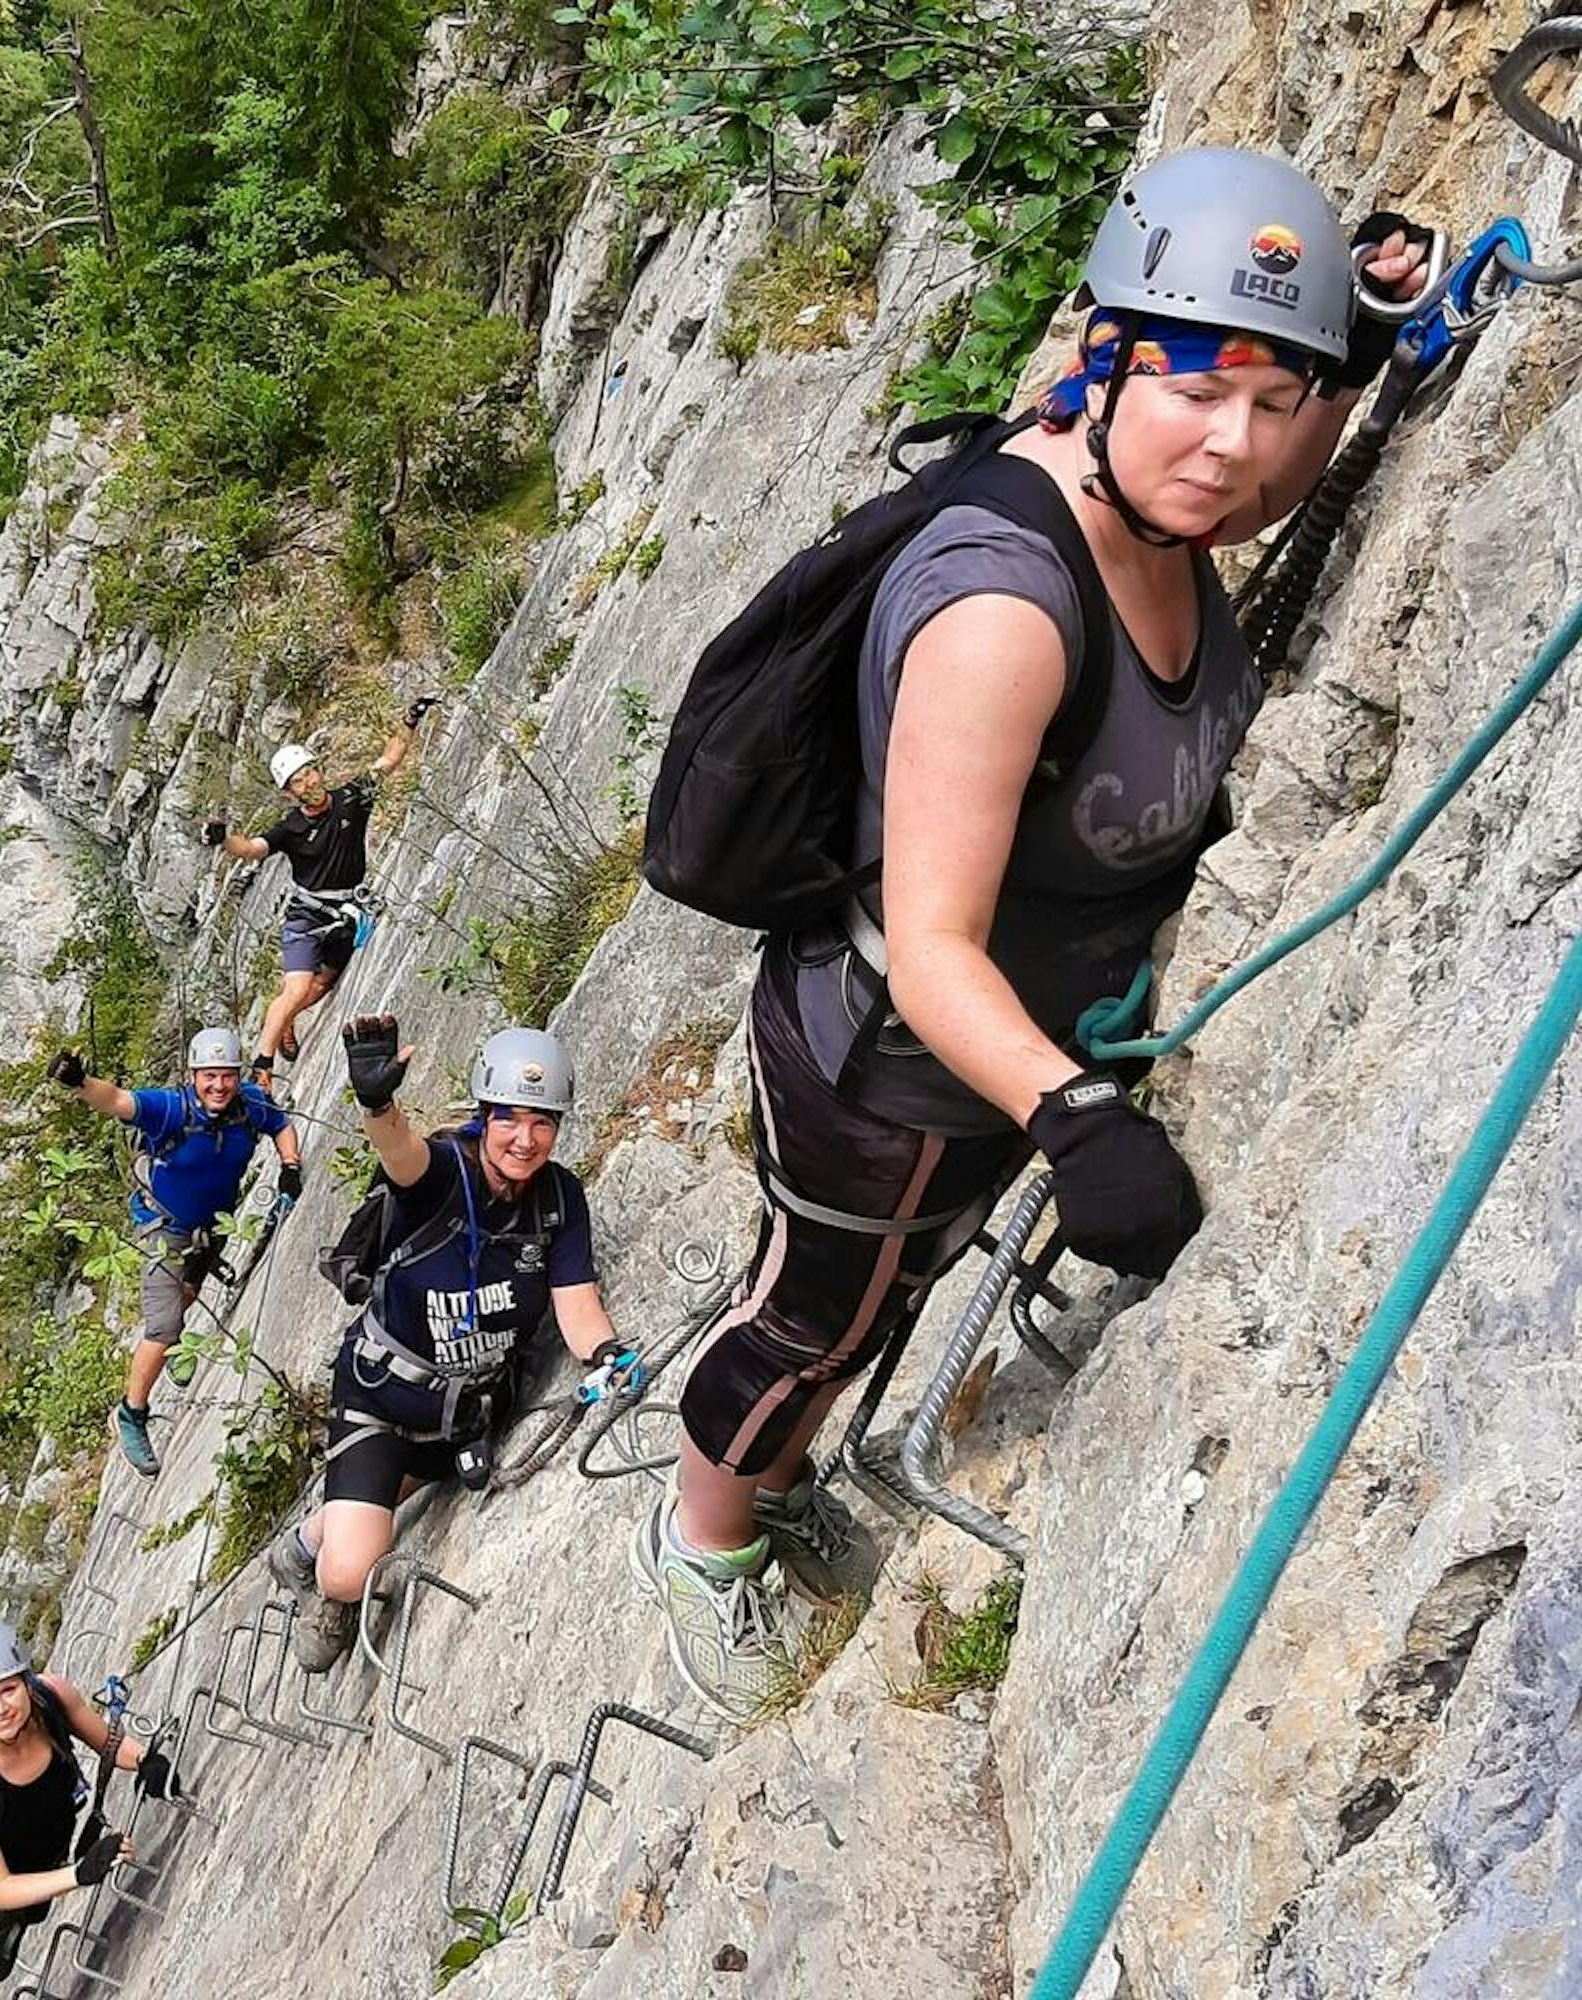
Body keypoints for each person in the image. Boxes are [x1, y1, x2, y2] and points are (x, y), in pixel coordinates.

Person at [639, 148, 1438, 1721]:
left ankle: (771, 1473)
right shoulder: (1003, 613)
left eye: (1278, 400)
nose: (1237, 448)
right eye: (1202, 387)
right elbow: (935, 944)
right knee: (815, 1315)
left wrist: (1363, 346)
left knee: (882, 1296)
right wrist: (1070, 1116)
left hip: (994, 1053)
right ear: (1106, 360)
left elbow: (1270, 456)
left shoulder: (1162, 469)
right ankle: (707, 1545)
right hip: (893, 1070)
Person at [266, 1014, 640, 1671]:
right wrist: (377, 1104)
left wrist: (607, 1355)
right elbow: (400, 1153)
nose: (526, 1140)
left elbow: (576, 1302)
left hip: (467, 1414)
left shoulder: (558, 1200)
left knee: (388, 1499)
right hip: (381, 1401)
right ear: (485, 1115)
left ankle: (322, 1531)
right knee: (352, 1573)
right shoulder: (443, 1174)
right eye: (510, 1119)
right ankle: (312, 1562)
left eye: (543, 1122)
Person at [46, 1026, 302, 1477]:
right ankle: (131, 1412)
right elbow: (120, 1101)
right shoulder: (171, 1108)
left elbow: (281, 1125)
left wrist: (290, 1167)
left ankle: (177, 1349)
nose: (219, 1086)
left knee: (187, 1292)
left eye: (226, 1076)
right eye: (209, 1077)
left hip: (214, 1224)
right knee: (163, 1328)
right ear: (193, 1075)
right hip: (165, 1224)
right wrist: (81, 1084)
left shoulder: (249, 1104)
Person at [0, 1620, 172, 1999]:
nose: (0, 1709)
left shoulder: (52, 1697)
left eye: (9, 1689)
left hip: (41, 1862)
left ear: (27, 1680)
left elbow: (108, 1743)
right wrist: (80, 1872)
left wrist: (144, 1759)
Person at [201, 700, 437, 1075]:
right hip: (308, 916)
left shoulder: (351, 799)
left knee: (319, 988)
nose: (308, 782)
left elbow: (390, 759)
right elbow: (251, 850)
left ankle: (284, 1021)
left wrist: (410, 720)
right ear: (289, 792)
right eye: (298, 781)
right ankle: (263, 1064)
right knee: (296, 990)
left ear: (319, 771)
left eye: (310, 773)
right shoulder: (290, 828)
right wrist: (224, 839)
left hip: (346, 914)